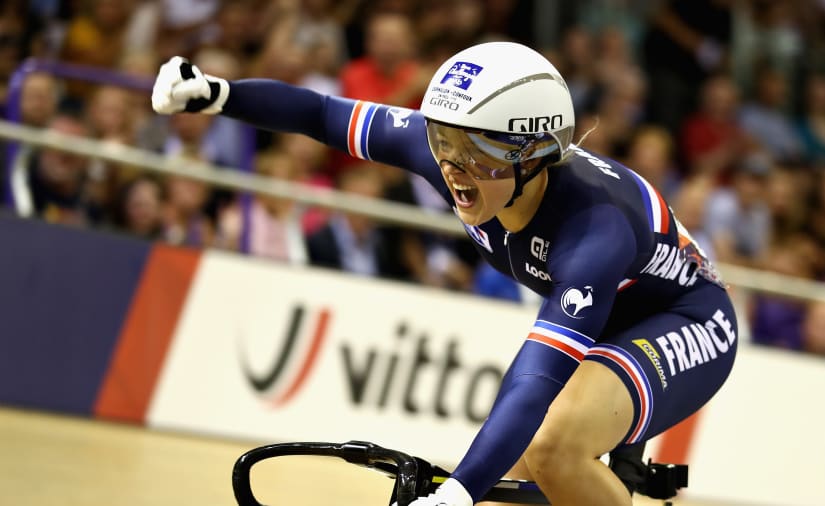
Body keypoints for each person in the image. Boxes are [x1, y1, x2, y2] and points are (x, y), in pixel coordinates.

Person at [151, 41, 738, 506]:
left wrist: (456, 491)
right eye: (444, 142)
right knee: (508, 484)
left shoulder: (594, 233)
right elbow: (324, 114)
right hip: (611, 313)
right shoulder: (448, 156)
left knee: (553, 449)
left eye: (475, 154)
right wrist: (217, 93)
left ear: (531, 155)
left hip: (683, 321)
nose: (453, 168)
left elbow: (533, 383)